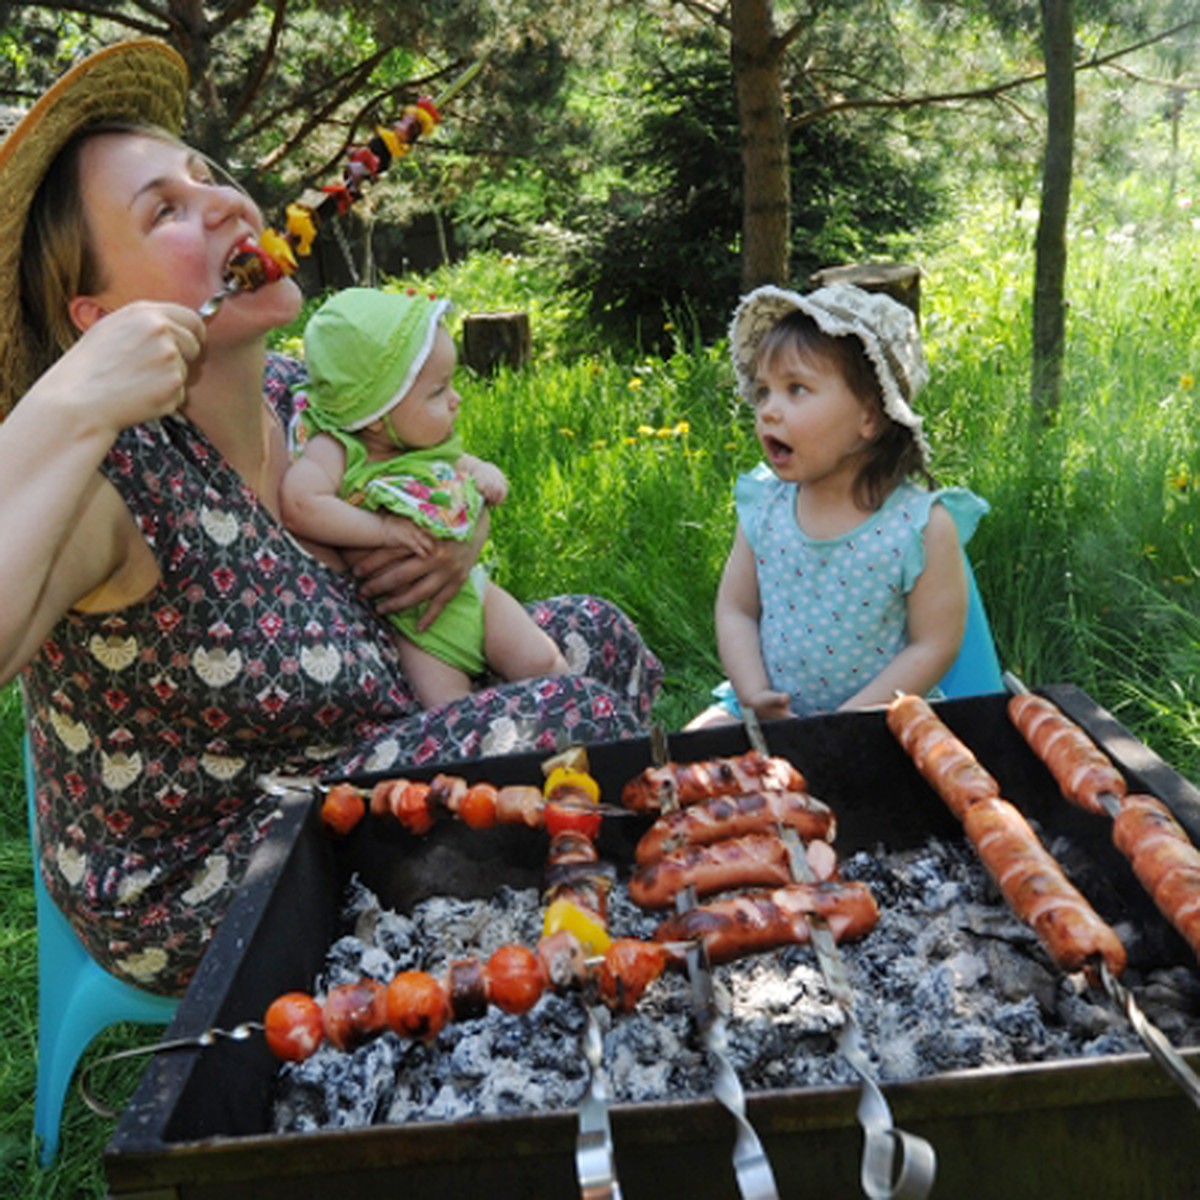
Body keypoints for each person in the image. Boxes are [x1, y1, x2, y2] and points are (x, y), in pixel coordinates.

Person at [0, 39, 661, 997]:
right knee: (573, 723)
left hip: (372, 729)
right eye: (167, 210)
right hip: (223, 857)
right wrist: (70, 407)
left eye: (206, 176)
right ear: (98, 318)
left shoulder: (299, 393)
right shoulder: (108, 475)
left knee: (594, 630)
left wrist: (458, 532)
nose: (227, 200)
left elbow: (429, 471)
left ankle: (549, 915)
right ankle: (562, 942)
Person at [686, 282, 987, 728]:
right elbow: (736, 609)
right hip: (769, 709)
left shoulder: (919, 526)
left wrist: (848, 722)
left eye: (796, 389)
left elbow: (934, 645)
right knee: (685, 761)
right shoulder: (765, 505)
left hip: (883, 716)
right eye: (764, 391)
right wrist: (752, 692)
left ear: (869, 416)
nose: (768, 410)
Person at [280, 287, 568, 708]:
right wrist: (380, 529)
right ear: (376, 415)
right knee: (450, 710)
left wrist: (487, 476)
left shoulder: (428, 443)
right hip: (416, 626)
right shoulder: (340, 449)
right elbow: (300, 504)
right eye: (437, 391)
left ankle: (576, 725)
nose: (456, 399)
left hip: (474, 593)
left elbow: (465, 465)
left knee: (541, 659)